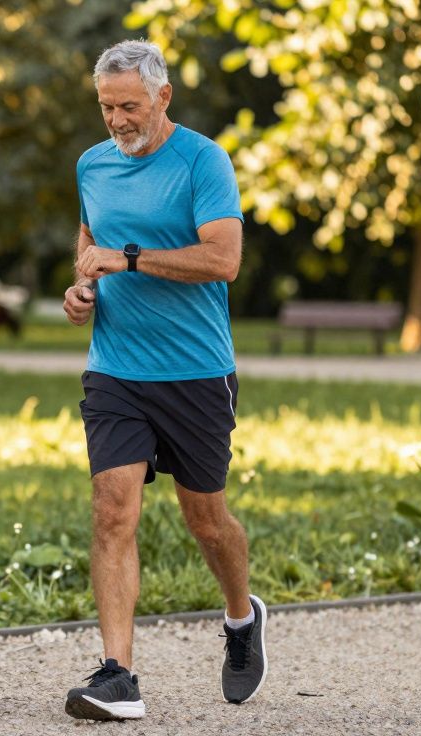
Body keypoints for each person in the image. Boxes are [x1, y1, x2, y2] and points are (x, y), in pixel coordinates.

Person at [60, 40, 268, 721]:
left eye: (129, 106)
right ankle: (118, 674)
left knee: (207, 522)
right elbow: (90, 251)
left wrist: (131, 258)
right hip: (116, 369)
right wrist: (81, 290)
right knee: (113, 511)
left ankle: (241, 616)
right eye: (106, 106)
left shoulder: (203, 160)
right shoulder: (93, 164)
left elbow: (224, 259)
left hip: (196, 372)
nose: (117, 120)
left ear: (162, 98)